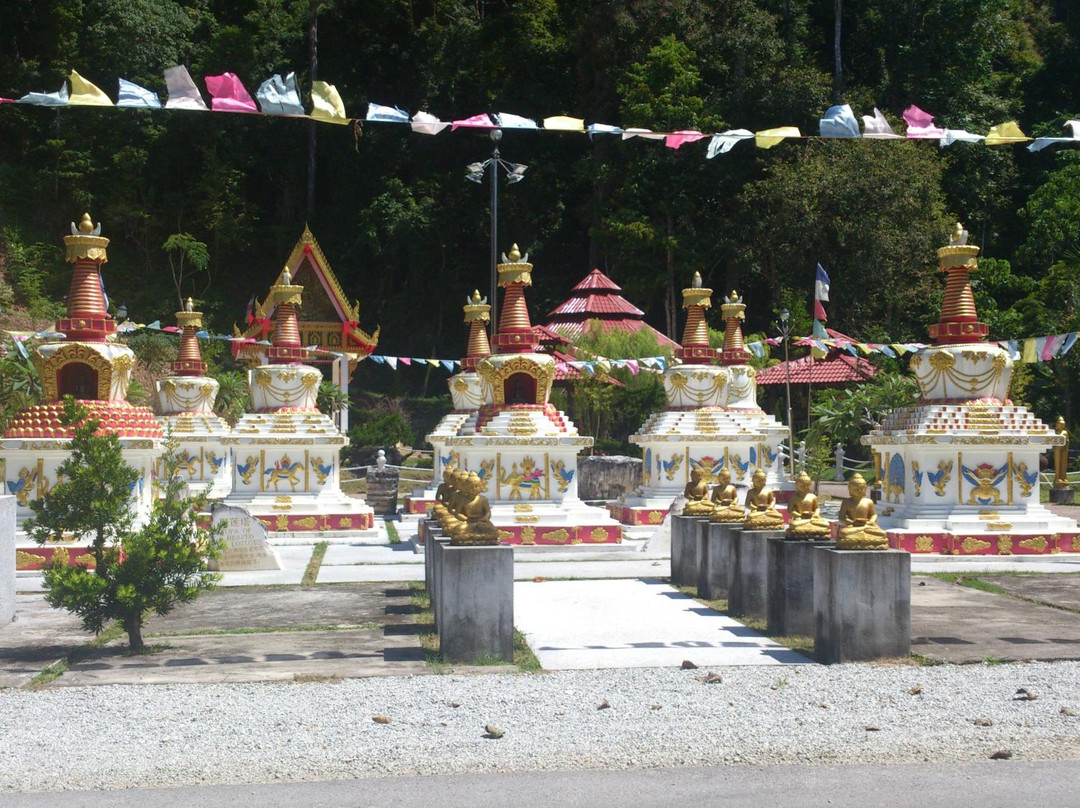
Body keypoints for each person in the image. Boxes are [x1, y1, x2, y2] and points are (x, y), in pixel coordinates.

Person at [836, 473, 889, 550]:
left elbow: (874, 515)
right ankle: (863, 536)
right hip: (854, 527)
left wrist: (870, 522)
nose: (859, 491)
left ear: (865, 489)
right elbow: (841, 517)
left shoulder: (869, 501)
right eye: (856, 489)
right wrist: (853, 522)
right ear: (850, 489)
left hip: (867, 525)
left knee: (882, 534)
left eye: (862, 489)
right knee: (844, 533)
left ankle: (862, 536)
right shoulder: (847, 502)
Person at [785, 471, 831, 539]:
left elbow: (817, 508)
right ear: (797, 486)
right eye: (802, 486)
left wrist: (816, 514)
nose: (805, 487)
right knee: (794, 525)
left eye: (807, 485)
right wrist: (799, 515)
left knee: (826, 524)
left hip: (812, 519)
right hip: (800, 519)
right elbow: (790, 510)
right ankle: (809, 526)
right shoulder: (794, 497)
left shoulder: (812, 496)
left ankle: (808, 526)